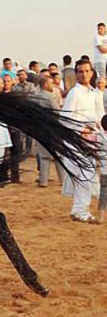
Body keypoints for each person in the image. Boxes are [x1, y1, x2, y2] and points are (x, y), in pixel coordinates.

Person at [61, 59, 104, 223]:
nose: (84, 74)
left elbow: (99, 118)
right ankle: (80, 210)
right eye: (80, 71)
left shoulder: (94, 93)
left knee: (89, 175)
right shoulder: (74, 93)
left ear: (92, 72)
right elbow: (66, 119)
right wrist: (82, 130)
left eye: (87, 71)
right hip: (78, 141)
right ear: (76, 73)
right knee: (83, 176)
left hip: (93, 140)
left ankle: (80, 209)